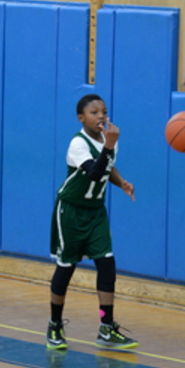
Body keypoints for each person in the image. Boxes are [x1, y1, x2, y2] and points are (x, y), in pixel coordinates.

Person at [47, 94, 138, 352]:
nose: (101, 116)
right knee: (66, 268)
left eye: (104, 112)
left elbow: (107, 168)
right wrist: (109, 146)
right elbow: (95, 172)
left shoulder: (108, 141)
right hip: (71, 212)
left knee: (107, 265)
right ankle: (54, 325)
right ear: (81, 118)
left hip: (96, 212)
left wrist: (121, 183)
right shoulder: (78, 143)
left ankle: (106, 326)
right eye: (94, 112)